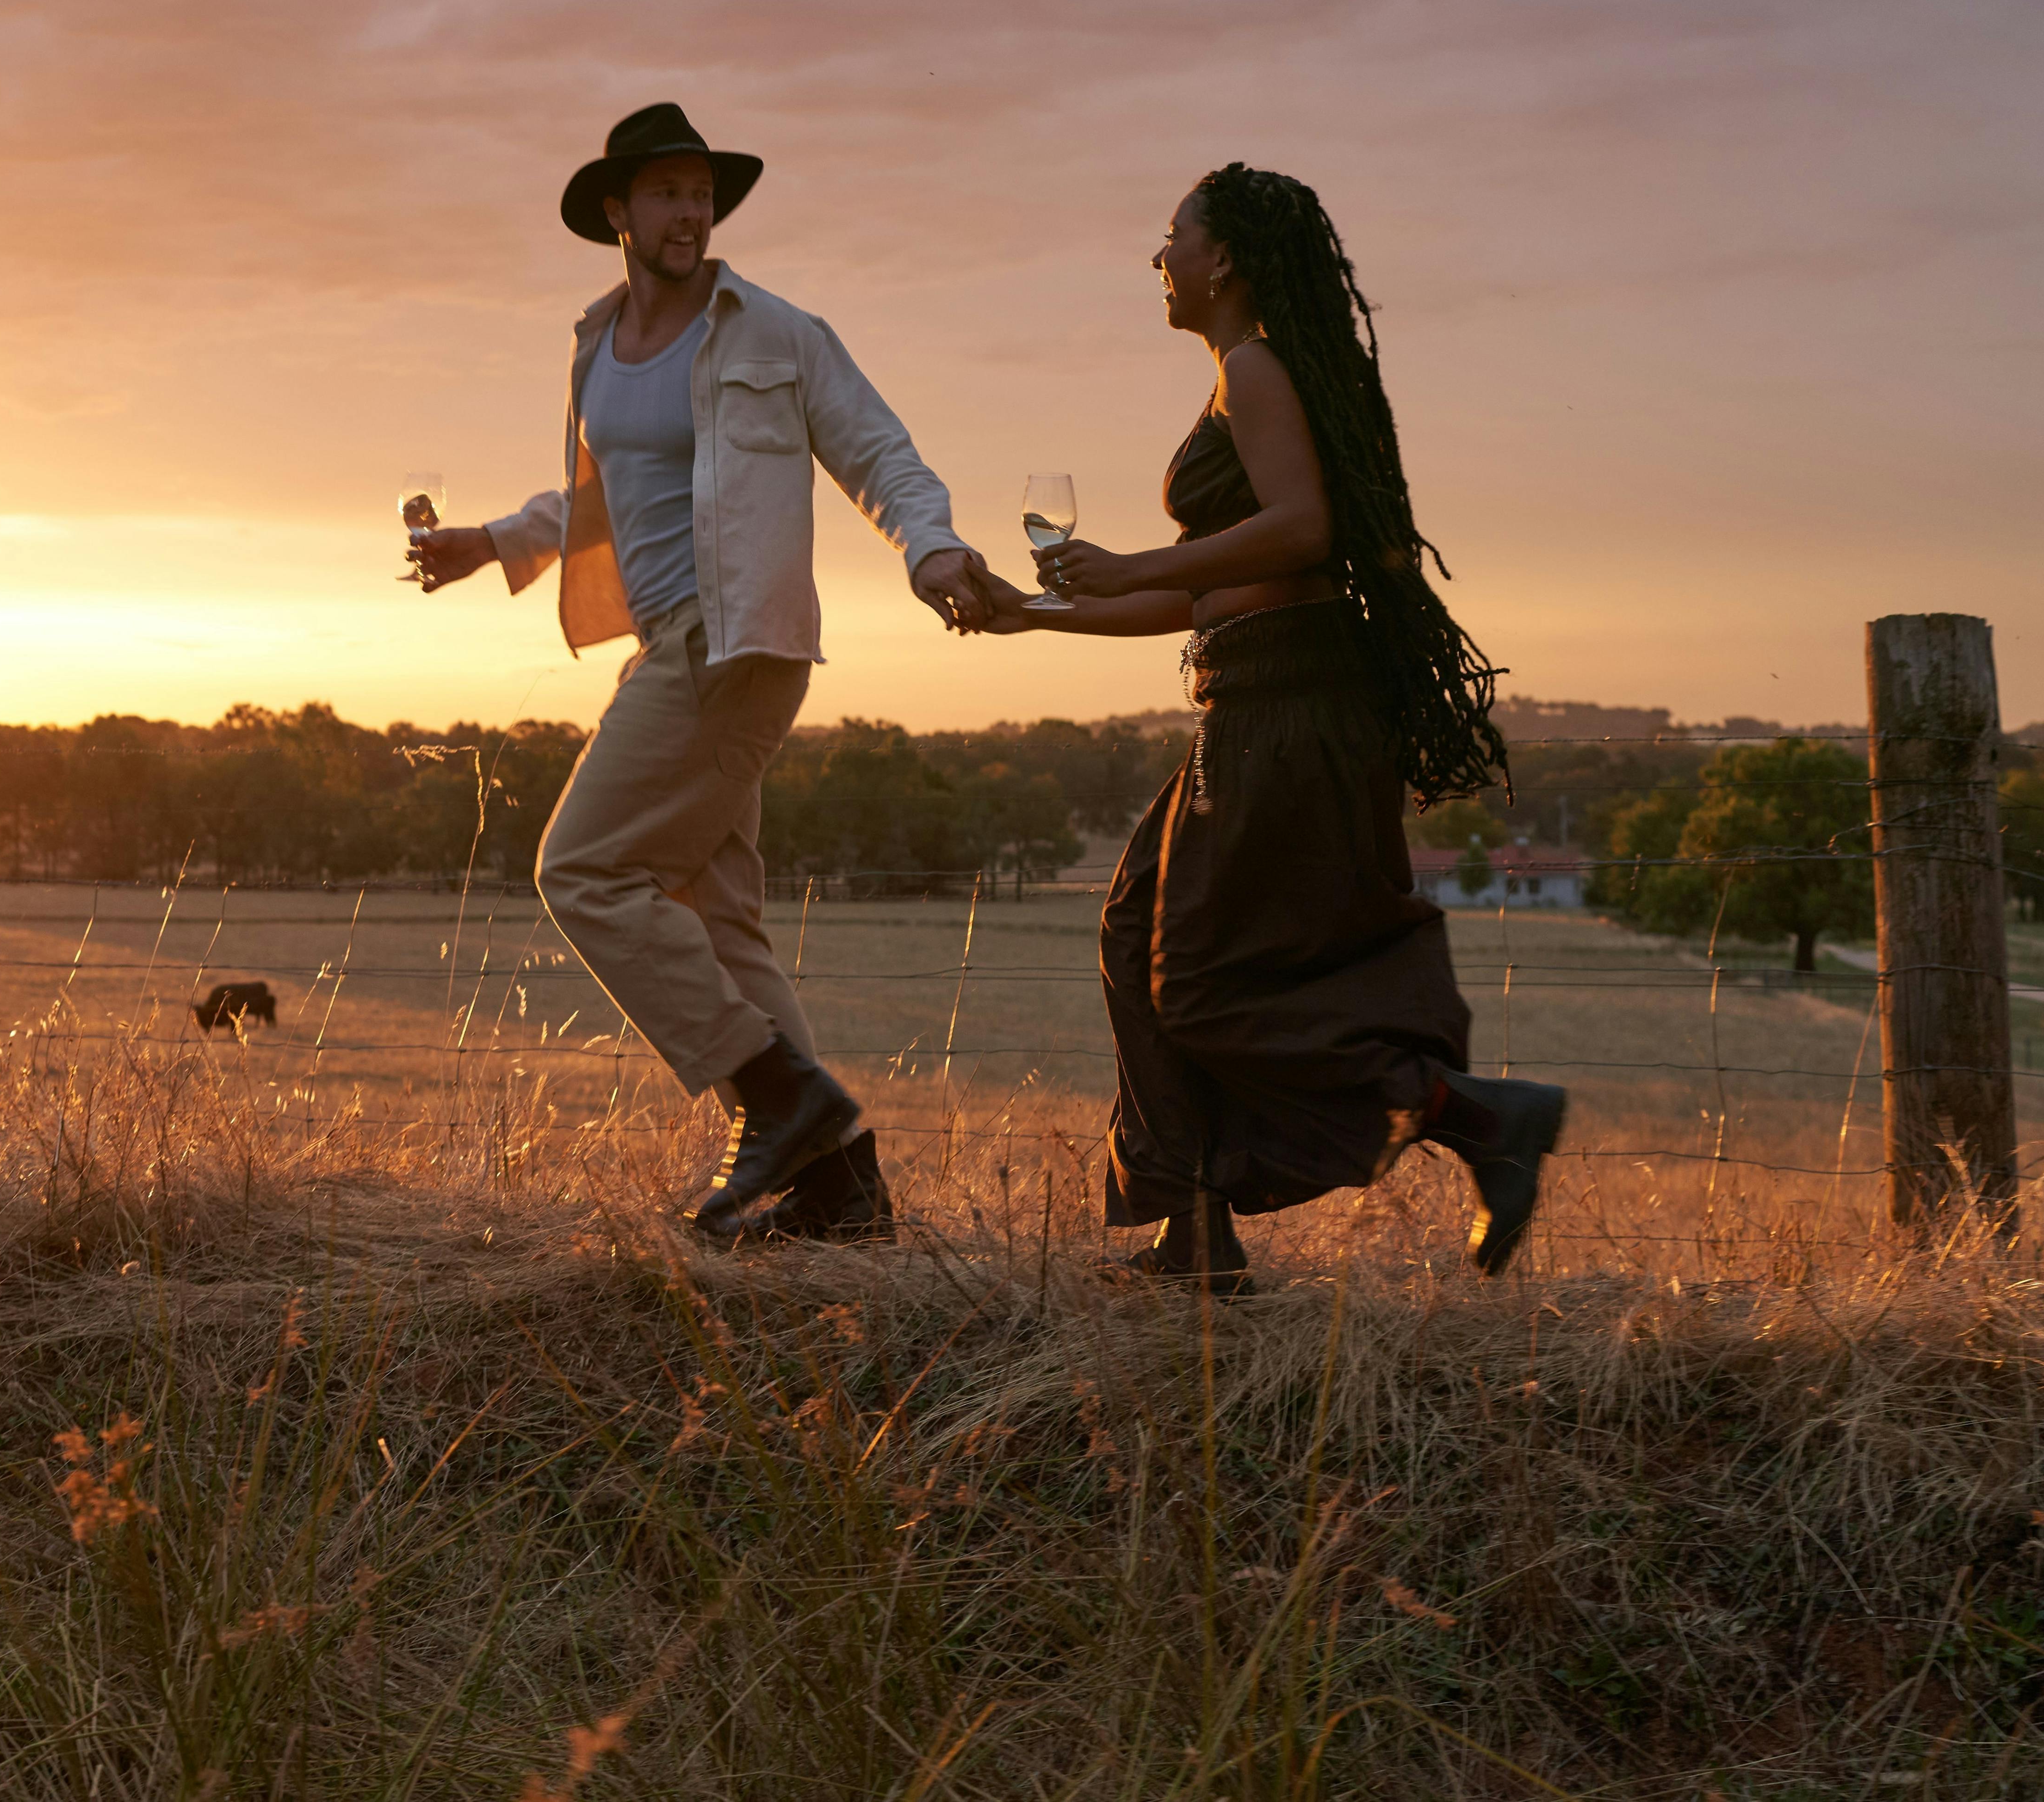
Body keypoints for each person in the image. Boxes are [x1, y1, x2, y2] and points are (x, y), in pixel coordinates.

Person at [409, 102, 994, 1242]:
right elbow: (604, 496)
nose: (691, 211)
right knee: (718, 922)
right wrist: (493, 540)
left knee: (581, 869)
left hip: (736, 643)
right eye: (667, 192)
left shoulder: (775, 333)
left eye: (701, 191)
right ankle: (842, 1190)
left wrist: (930, 547)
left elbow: (878, 451)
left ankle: (780, 1100)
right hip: (662, 637)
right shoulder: (596, 343)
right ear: (616, 213)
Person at [979, 163, 1565, 1290]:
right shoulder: (1239, 379)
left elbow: (1299, 532)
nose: (1159, 259)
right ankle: (1192, 1230)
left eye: (1173, 238)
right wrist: (1036, 614)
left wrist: (1127, 560)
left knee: (1194, 978)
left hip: (1285, 706)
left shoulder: (1252, 368)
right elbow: (1208, 598)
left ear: (1226, 259)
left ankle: (1477, 1115)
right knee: (1133, 927)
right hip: (1253, 692)